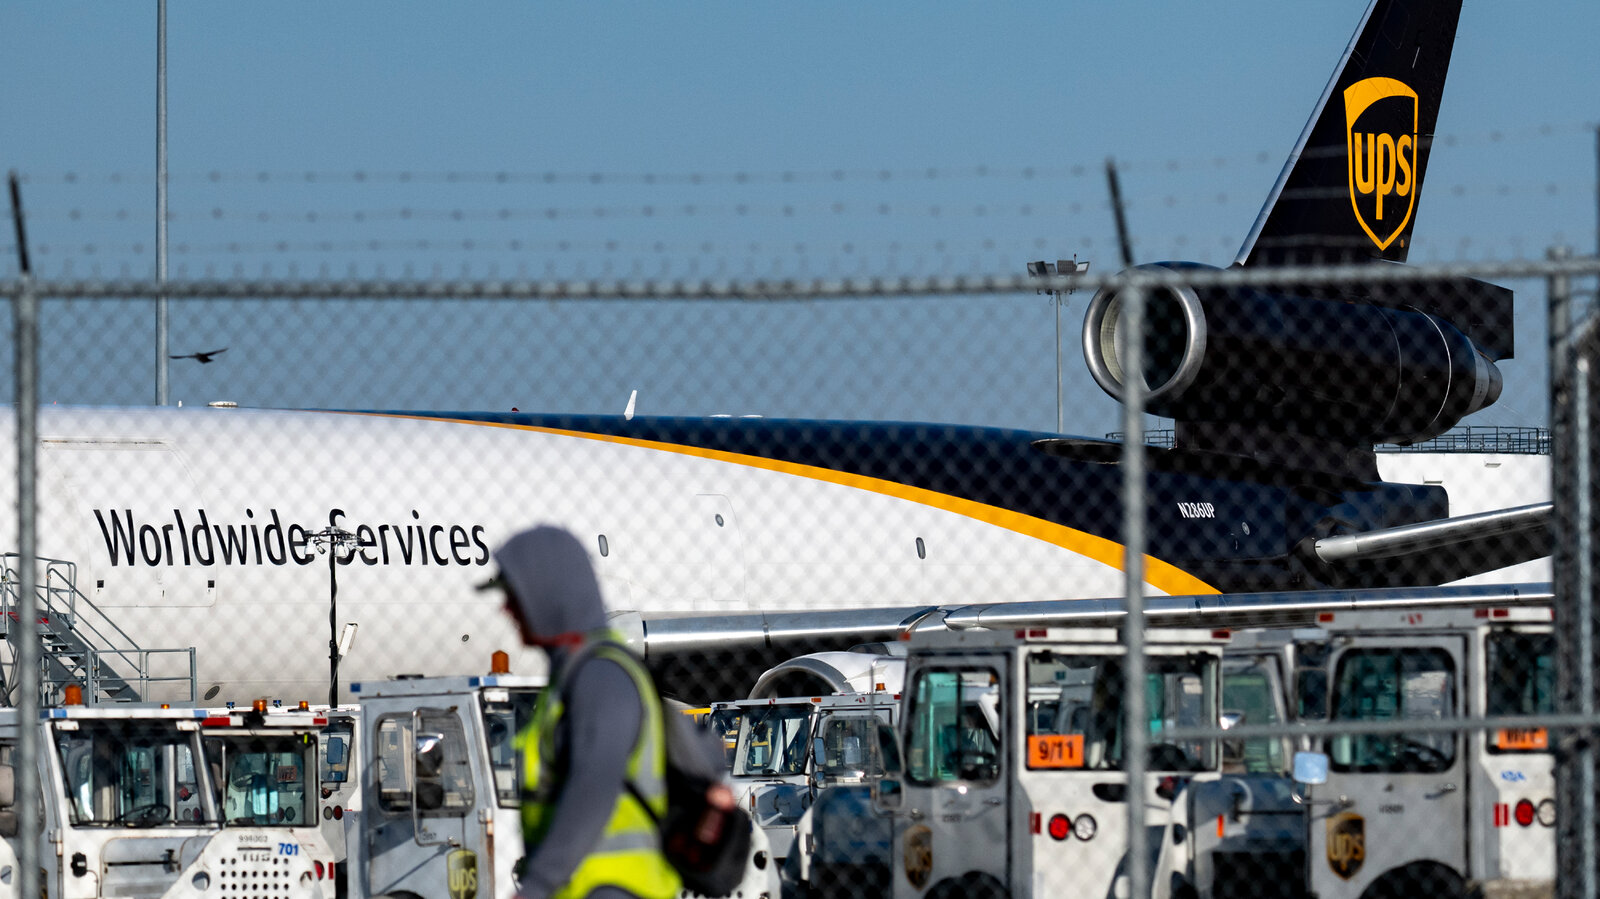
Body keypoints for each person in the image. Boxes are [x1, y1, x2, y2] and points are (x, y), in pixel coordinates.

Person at [484, 525, 680, 899]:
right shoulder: (572, 676)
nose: (505, 608)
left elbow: (592, 790)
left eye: (514, 595)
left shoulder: (599, 676)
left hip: (613, 889)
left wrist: (536, 887)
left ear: (547, 595)